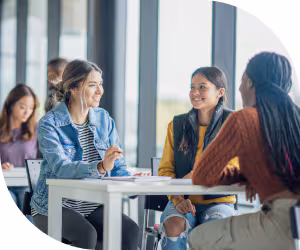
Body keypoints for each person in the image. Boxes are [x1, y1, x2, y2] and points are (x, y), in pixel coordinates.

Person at [189, 52, 300, 250]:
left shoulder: (245, 119)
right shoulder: (294, 119)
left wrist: (247, 174)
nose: (239, 88)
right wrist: (253, 174)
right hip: (294, 223)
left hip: (282, 224)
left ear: (249, 83)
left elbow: (202, 175)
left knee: (198, 236)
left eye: (242, 80)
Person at [30, 59, 139, 250]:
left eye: (101, 84)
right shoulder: (49, 123)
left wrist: (132, 180)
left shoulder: (104, 119)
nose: (100, 90)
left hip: (90, 204)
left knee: (130, 230)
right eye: (92, 85)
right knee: (87, 234)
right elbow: (61, 168)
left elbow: (117, 166)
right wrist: (100, 166)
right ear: (73, 88)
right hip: (52, 207)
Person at [158, 67, 239, 249]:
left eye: (202, 87)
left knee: (215, 229)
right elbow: (165, 170)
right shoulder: (176, 125)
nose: (195, 92)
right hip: (182, 201)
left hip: (220, 202)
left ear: (220, 92)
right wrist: (178, 199)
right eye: (192, 87)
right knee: (173, 226)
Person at [0, 84, 39, 212]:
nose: (27, 112)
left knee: (28, 203)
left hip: (26, 185)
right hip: (4, 185)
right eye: (22, 107)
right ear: (11, 105)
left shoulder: (37, 131)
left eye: (31, 108)